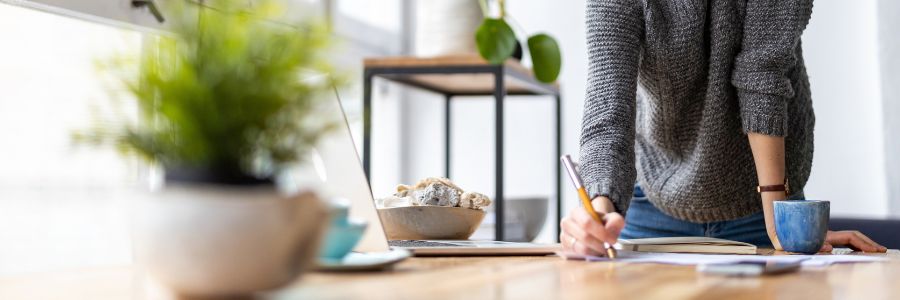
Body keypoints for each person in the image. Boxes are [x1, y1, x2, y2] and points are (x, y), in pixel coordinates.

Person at [560, 0, 887, 255]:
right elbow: (609, 99)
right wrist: (598, 214)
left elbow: (762, 77)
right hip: (655, 199)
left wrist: (783, 226)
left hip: (763, 202)